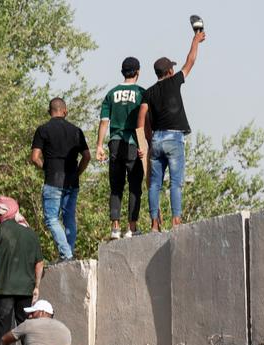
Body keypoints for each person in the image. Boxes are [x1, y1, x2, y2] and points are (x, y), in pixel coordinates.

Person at [138, 30, 206, 231]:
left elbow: (142, 118)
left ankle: (154, 224)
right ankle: (176, 221)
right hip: (174, 138)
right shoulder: (175, 81)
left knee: (154, 185)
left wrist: (148, 139)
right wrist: (195, 41)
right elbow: (190, 61)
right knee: (175, 183)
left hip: (156, 139)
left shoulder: (148, 92)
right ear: (169, 72)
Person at [31, 97, 90, 261]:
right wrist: (78, 172)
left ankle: (67, 254)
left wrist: (46, 167)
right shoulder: (76, 130)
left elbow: (35, 157)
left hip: (53, 181)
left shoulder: (43, 130)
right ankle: (68, 254)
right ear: (65, 111)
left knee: (51, 218)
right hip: (72, 181)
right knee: (69, 217)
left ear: (50, 112)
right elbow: (86, 156)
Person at [95, 57, 147, 239]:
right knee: (134, 187)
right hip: (133, 143)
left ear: (122, 72)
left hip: (115, 143)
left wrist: (99, 146)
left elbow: (104, 122)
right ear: (138, 72)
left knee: (116, 186)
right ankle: (131, 228)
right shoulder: (141, 93)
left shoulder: (111, 94)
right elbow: (146, 121)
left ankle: (115, 228)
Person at [0, 197, 44, 343]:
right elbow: (39, 263)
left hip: (1, 290)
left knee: (2, 334)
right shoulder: (31, 234)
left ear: (3, 213)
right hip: (25, 290)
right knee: (26, 330)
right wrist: (36, 286)